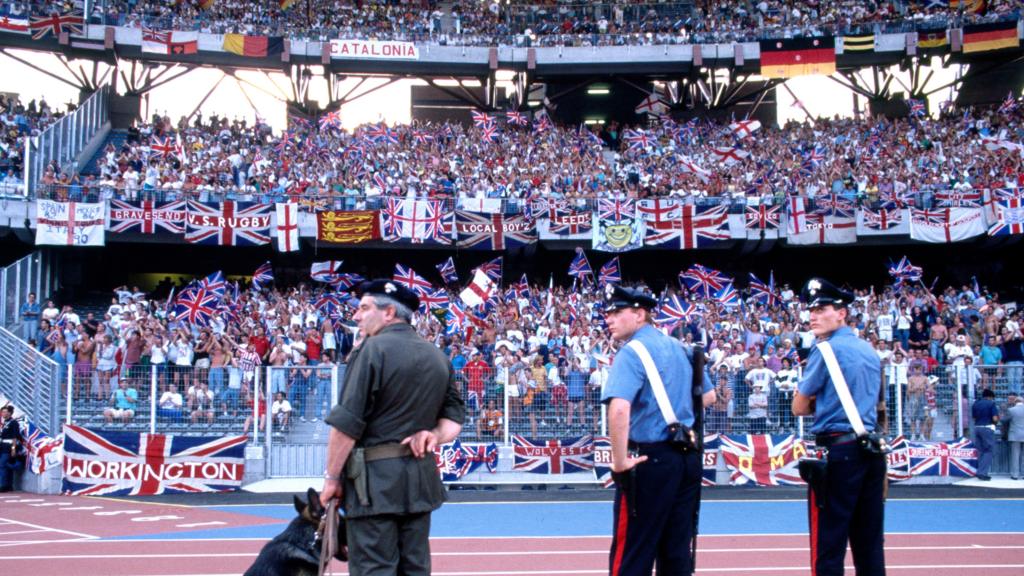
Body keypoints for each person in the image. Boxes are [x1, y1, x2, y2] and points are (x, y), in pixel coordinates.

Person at [320, 280, 464, 575]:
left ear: (388, 313)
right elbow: (454, 421)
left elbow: (346, 425)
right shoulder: (438, 356)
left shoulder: (371, 350)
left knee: (374, 569)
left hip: (373, 488)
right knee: (414, 569)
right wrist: (433, 435)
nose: (357, 316)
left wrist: (332, 478)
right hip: (420, 482)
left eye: (363, 308)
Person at [600, 284, 715, 576]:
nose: (608, 318)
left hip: (650, 459)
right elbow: (709, 397)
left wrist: (619, 460)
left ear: (639, 315)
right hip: (686, 457)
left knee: (633, 553)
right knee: (676, 552)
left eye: (616, 312)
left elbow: (619, 408)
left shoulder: (632, 352)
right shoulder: (680, 347)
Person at [792, 277, 885, 576]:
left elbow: (799, 406)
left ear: (841, 313)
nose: (813, 317)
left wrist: (823, 401)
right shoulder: (870, 351)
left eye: (822, 309)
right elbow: (879, 406)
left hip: (839, 450)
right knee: (869, 542)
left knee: (829, 543)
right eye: (811, 311)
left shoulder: (825, 350)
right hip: (870, 448)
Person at [972, 388, 999, 481]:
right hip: (987, 428)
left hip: (977, 428)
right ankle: (982, 473)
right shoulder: (991, 404)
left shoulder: (975, 403)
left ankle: (980, 471)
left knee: (980, 451)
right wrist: (996, 423)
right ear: (990, 397)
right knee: (989, 451)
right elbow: (995, 418)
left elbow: (974, 418)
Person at [0, 405, 23, 492]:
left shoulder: (13, 423)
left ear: (9, 413)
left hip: (8, 447)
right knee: (6, 466)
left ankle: (3, 485)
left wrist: (13, 449)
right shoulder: (5, 422)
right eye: (2, 412)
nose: (3, 414)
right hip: (2, 446)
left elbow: (14, 437)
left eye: (5, 412)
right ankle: (8, 485)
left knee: (2, 465)